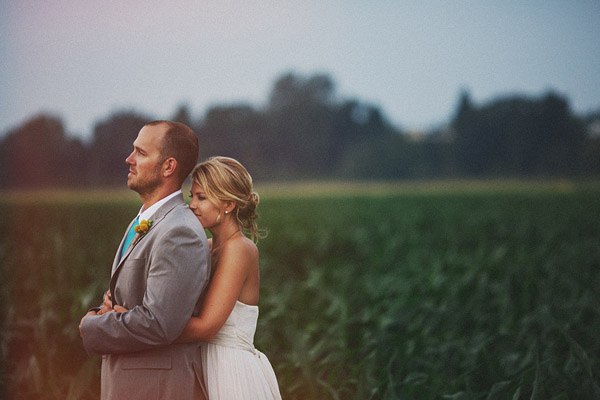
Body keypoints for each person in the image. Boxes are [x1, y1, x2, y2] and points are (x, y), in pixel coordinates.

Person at [112, 156, 282, 399]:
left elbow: (206, 327)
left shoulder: (240, 249)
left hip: (228, 370)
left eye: (201, 197)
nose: (192, 205)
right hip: (197, 363)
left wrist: (131, 320)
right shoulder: (205, 246)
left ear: (228, 205)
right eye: (192, 197)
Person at [79, 121, 211, 400]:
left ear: (168, 167)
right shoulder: (143, 221)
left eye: (140, 152)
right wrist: (105, 311)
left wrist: (91, 325)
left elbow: (159, 323)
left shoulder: (180, 231)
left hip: (157, 389)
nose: (129, 159)